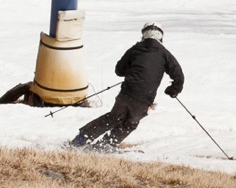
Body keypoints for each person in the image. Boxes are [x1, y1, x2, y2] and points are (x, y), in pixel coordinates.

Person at [70, 21, 184, 150]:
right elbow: (179, 75)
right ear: (161, 37)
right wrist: (173, 90)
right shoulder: (165, 54)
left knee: (112, 118)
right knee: (130, 123)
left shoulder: (135, 49)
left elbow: (119, 70)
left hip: (126, 93)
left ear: (143, 35)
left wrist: (132, 71)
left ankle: (81, 139)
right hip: (144, 99)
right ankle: (105, 146)